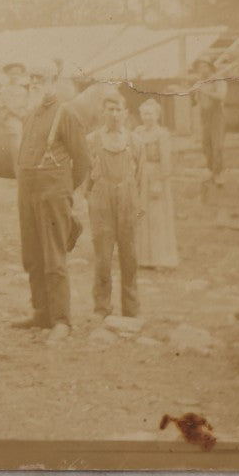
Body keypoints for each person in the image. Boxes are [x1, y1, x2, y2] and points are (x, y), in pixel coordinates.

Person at [12, 61, 94, 342]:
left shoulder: (66, 113)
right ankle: (40, 313)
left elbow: (82, 161)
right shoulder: (30, 115)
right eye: (32, 79)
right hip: (28, 193)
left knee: (53, 258)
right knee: (32, 256)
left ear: (54, 82)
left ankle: (61, 320)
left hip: (52, 194)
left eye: (42, 78)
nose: (36, 84)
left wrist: (63, 191)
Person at [85, 91, 142, 320]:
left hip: (127, 199)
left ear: (126, 113)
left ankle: (131, 309)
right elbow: (85, 176)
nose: (115, 114)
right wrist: (92, 199)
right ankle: (102, 308)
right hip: (101, 200)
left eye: (119, 110)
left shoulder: (135, 141)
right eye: (110, 109)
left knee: (129, 256)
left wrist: (136, 203)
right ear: (103, 112)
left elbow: (141, 176)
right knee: (103, 258)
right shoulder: (91, 140)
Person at [134, 98, 179, 269]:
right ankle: (143, 258)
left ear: (157, 115)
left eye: (151, 114)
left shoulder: (162, 134)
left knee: (156, 217)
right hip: (140, 177)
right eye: (144, 114)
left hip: (155, 177)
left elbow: (166, 161)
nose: (147, 117)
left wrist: (158, 182)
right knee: (141, 215)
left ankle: (160, 258)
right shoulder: (137, 132)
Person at [191, 56, 228, 188]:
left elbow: (221, 96)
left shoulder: (218, 80)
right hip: (204, 115)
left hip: (216, 115)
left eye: (204, 66)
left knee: (217, 144)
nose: (201, 69)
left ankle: (219, 173)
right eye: (199, 67)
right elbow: (195, 102)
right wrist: (193, 92)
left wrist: (203, 91)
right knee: (206, 144)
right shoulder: (199, 82)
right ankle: (210, 170)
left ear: (210, 67)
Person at [0, 62, 31, 164]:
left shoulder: (23, 90)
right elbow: (8, 106)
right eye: (12, 73)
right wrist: (20, 115)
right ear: (7, 74)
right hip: (10, 117)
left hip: (23, 116)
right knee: (16, 132)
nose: (15, 76)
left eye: (18, 74)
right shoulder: (3, 89)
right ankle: (18, 164)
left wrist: (26, 114)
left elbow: (26, 105)